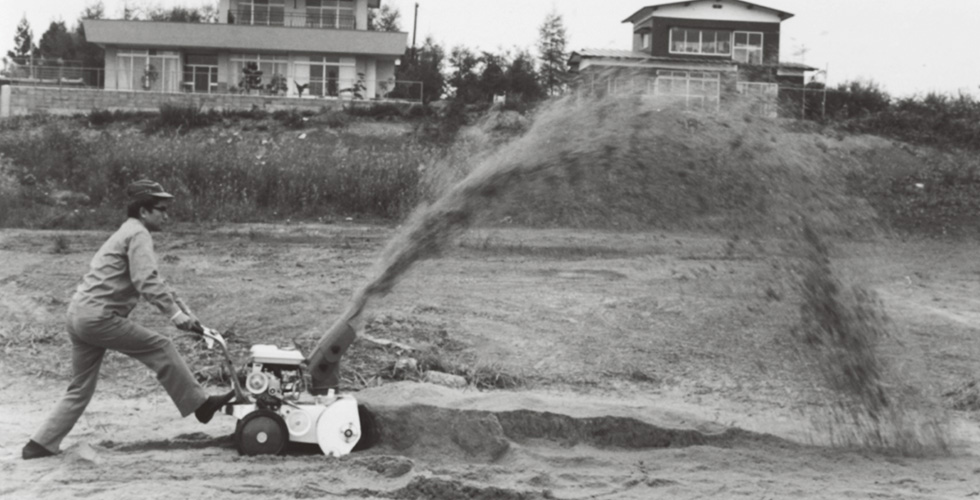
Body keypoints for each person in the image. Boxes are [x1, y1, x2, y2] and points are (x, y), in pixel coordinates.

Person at [22, 180, 234, 460]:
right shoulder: (139, 235)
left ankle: (39, 445)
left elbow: (157, 279)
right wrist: (174, 315)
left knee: (80, 388)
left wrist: (185, 311)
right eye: (161, 209)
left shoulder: (127, 232)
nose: (166, 215)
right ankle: (201, 406)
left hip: (78, 316)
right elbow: (145, 280)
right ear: (144, 211)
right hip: (98, 318)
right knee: (161, 347)